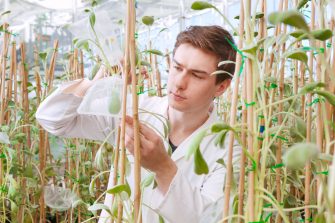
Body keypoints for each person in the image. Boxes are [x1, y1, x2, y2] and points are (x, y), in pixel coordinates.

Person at [36, 25, 240, 223]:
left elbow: (210, 218)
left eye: (196, 75)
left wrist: (163, 168)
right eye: (177, 68)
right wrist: (96, 83)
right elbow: (53, 120)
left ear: (221, 87)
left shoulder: (230, 149)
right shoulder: (135, 110)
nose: (179, 82)